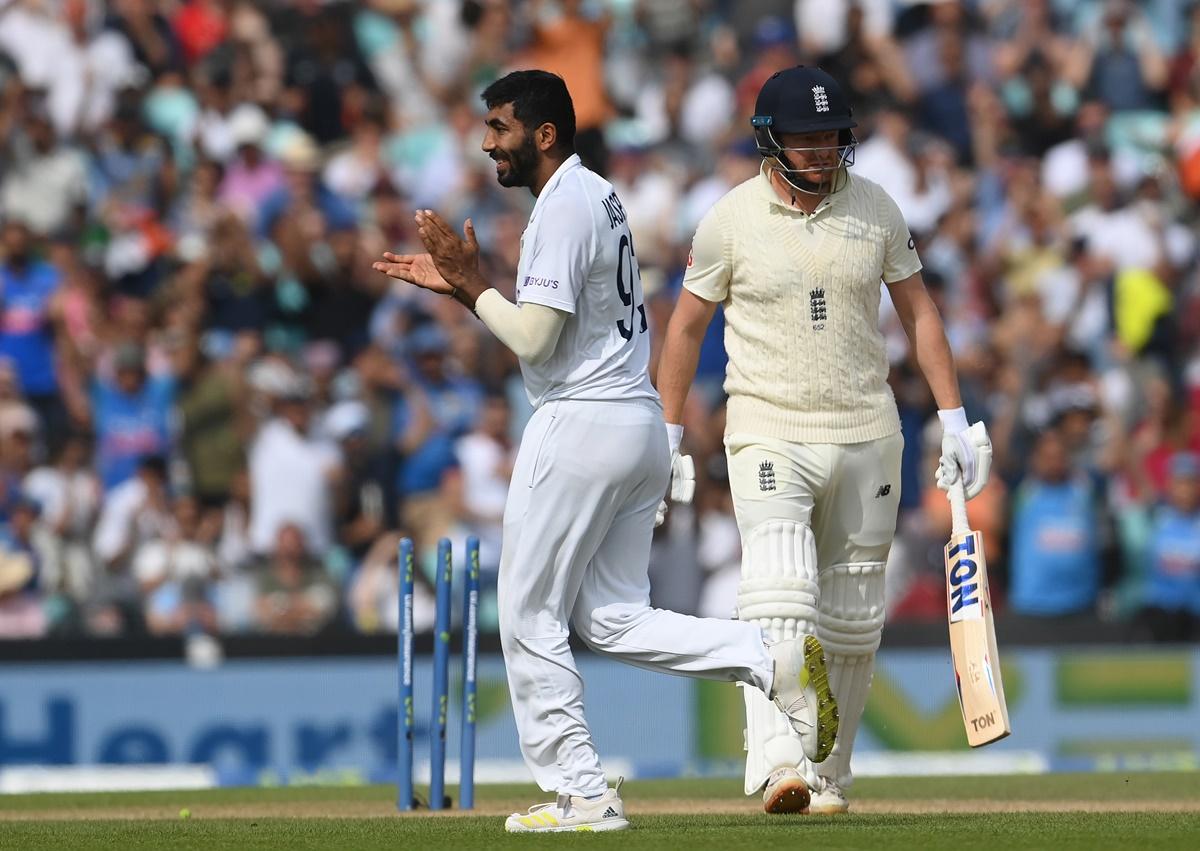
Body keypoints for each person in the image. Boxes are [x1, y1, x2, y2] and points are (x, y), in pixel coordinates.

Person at [373, 69, 838, 833]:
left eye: (500, 128)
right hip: (635, 423)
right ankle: (770, 656)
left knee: (527, 614)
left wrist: (470, 283)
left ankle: (582, 793)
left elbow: (533, 336)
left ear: (544, 134)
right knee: (614, 615)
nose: (488, 144)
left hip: (581, 423)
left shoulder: (563, 206)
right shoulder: (597, 194)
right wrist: (467, 290)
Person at [655, 66, 993, 815]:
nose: (819, 151)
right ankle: (778, 763)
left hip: (867, 431)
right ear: (770, 141)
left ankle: (826, 772)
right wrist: (669, 434)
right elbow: (683, 327)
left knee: (852, 616)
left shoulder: (876, 208)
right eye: (804, 138)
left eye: (830, 136)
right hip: (768, 426)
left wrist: (952, 418)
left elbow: (921, 313)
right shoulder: (729, 220)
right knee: (779, 592)